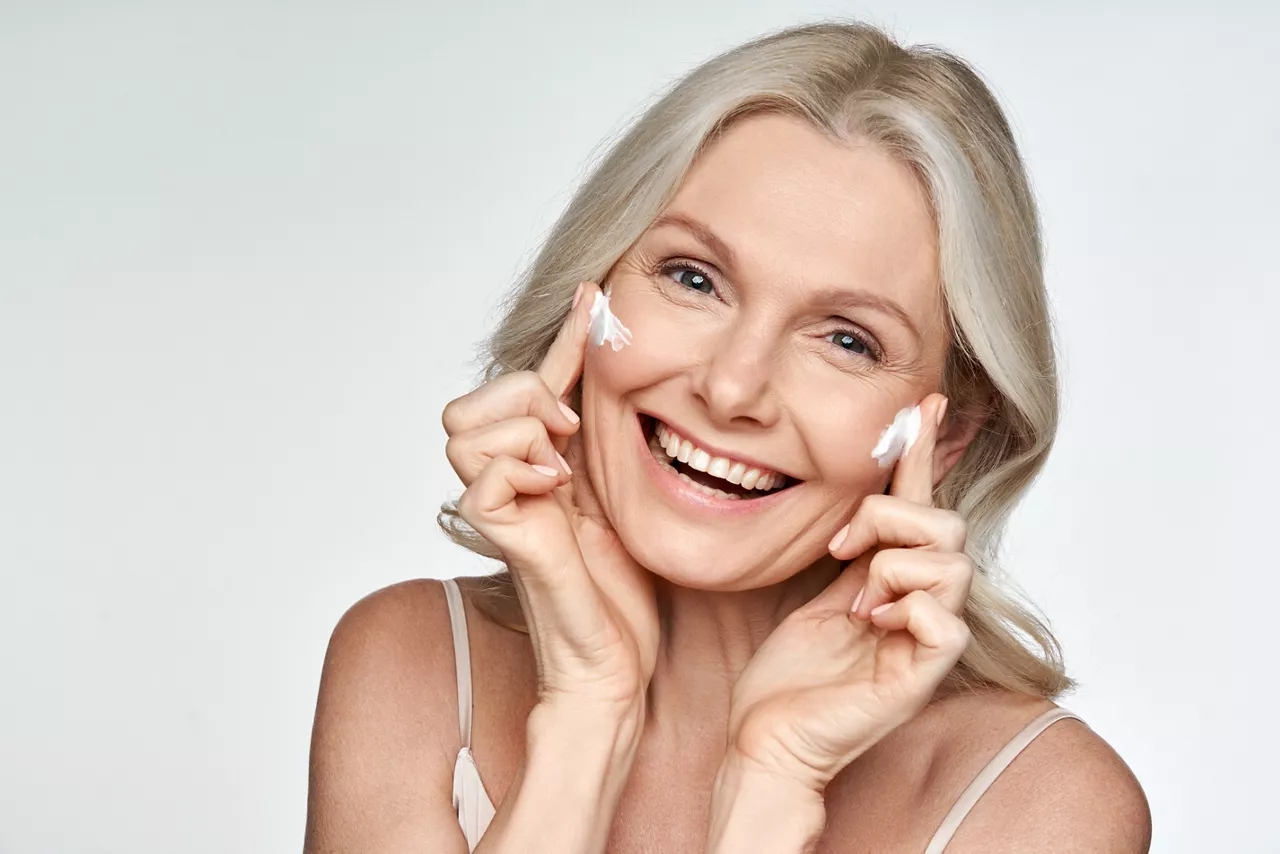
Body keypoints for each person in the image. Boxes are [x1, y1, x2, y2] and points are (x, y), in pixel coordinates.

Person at [303, 19, 1151, 853]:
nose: (731, 385)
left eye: (847, 339)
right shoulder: (410, 666)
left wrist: (772, 784)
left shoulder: (1042, 806)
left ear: (954, 431)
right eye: (692, 278)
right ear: (589, 292)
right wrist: (585, 717)